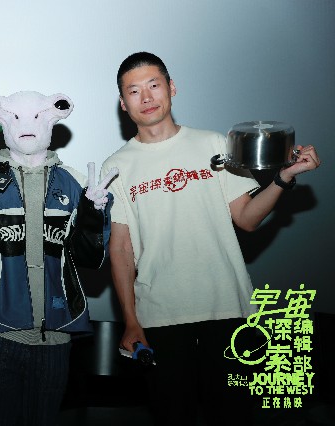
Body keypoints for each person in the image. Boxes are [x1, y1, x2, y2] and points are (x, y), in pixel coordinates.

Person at [101, 52, 321, 426]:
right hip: (160, 316)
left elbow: (247, 218)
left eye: (154, 85)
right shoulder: (115, 166)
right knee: (173, 417)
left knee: (233, 415)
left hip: (228, 308)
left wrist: (284, 177)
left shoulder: (214, 144)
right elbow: (121, 249)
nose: (147, 97)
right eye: (134, 91)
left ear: (171, 88)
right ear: (123, 103)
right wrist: (131, 321)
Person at [0, 91, 118, 426]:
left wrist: (94, 213)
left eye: (37, 117)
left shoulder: (75, 183)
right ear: (2, 122)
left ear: (52, 121)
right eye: (16, 118)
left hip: (57, 334)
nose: (26, 125)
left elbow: (92, 258)